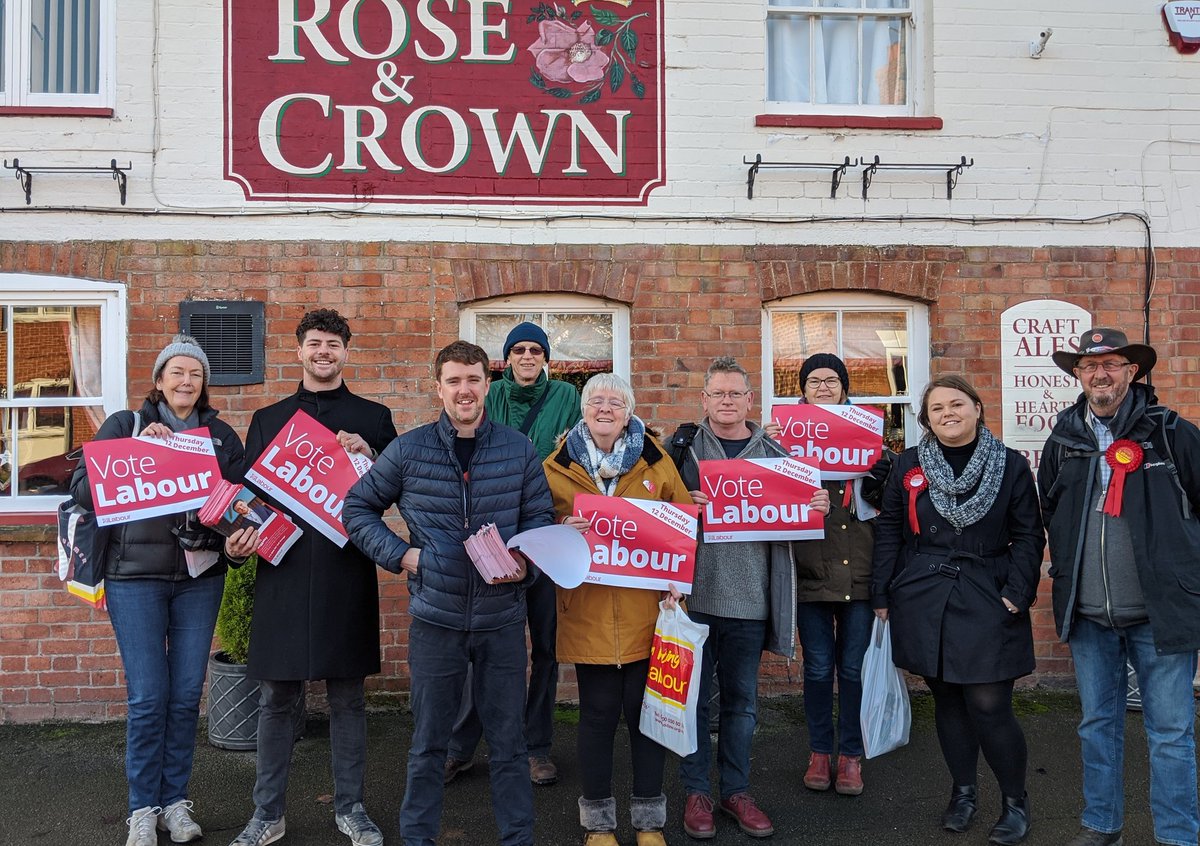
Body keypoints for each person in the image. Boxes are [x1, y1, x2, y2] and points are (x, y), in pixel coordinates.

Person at [343, 340, 555, 846]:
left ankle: (517, 839)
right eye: (454, 381)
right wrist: (403, 556)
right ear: (438, 388)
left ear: (488, 385)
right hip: (436, 621)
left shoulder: (518, 449)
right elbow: (357, 508)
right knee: (428, 746)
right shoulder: (409, 449)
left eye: (473, 380)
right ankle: (417, 839)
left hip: (502, 621)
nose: (465, 390)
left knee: (509, 746)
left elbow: (539, 517)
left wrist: (524, 562)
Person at [69, 334, 251, 846]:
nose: (186, 381)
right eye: (177, 372)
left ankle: (175, 802)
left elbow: (240, 506)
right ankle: (142, 809)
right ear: (158, 380)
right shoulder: (124, 425)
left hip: (199, 580)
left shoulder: (221, 438)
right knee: (149, 697)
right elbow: (83, 489)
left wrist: (238, 542)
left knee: (186, 696)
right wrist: (138, 452)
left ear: (204, 383)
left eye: (196, 373)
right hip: (134, 578)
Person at [229, 309, 397, 846]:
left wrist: (370, 457)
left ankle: (351, 809)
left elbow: (397, 492)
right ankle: (267, 815)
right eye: (315, 343)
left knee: (348, 699)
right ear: (299, 350)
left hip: (347, 571)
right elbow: (247, 501)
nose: (324, 352)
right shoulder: (268, 419)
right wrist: (237, 543)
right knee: (276, 699)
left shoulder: (374, 418)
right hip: (282, 570)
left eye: (333, 344)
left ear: (346, 352)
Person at [1038, 328, 1200, 846]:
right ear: (1078, 375)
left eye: (1111, 364)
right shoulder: (1063, 442)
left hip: (1162, 614)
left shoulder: (1172, 433)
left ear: (1132, 372)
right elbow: (1051, 512)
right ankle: (1102, 826)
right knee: (1097, 726)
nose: (1100, 374)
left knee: (1171, 733)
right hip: (1089, 616)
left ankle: (1177, 835)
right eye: (1090, 366)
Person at [872, 375, 1044, 845]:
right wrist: (882, 593)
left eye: (956, 404)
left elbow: (1029, 534)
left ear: (976, 408)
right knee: (946, 698)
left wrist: (1017, 592)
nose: (947, 413)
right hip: (923, 593)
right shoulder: (908, 464)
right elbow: (889, 530)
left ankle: (1015, 802)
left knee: (989, 703)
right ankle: (963, 793)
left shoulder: (1010, 465)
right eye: (937, 408)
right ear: (927, 420)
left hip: (988, 590)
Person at [670, 357, 829, 840]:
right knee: (693, 703)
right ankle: (697, 792)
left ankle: (735, 791)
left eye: (735, 393)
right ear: (704, 399)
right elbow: (652, 510)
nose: (727, 401)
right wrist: (680, 505)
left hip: (750, 600)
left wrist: (814, 505)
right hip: (694, 598)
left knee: (742, 704)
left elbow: (794, 520)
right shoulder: (679, 450)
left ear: (749, 400)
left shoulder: (778, 454)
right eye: (718, 393)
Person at [544, 373, 692, 846]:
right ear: (583, 410)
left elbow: (682, 527)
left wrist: (677, 584)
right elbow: (537, 523)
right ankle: (598, 826)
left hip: (646, 613)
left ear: (628, 413)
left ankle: (650, 823)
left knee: (647, 720)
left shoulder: (657, 461)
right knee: (596, 718)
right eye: (596, 400)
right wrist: (563, 525)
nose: (604, 408)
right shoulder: (555, 466)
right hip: (586, 610)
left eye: (615, 401)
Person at [446, 321, 581, 787]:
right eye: (518, 349)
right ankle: (461, 747)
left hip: (546, 533)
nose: (527, 356)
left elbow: (581, 449)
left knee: (545, 648)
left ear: (546, 358)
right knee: (481, 646)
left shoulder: (566, 396)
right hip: (494, 536)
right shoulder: (491, 393)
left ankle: (535, 747)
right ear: (506, 358)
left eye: (535, 350)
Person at [791, 354, 887, 798]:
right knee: (816, 668)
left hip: (861, 574)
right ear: (803, 390)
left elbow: (890, 511)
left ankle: (850, 755)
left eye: (832, 380)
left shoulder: (871, 443)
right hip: (809, 573)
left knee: (852, 669)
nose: (824, 387)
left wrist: (883, 475)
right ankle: (818, 751)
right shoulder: (787, 445)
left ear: (845, 387)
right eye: (814, 381)